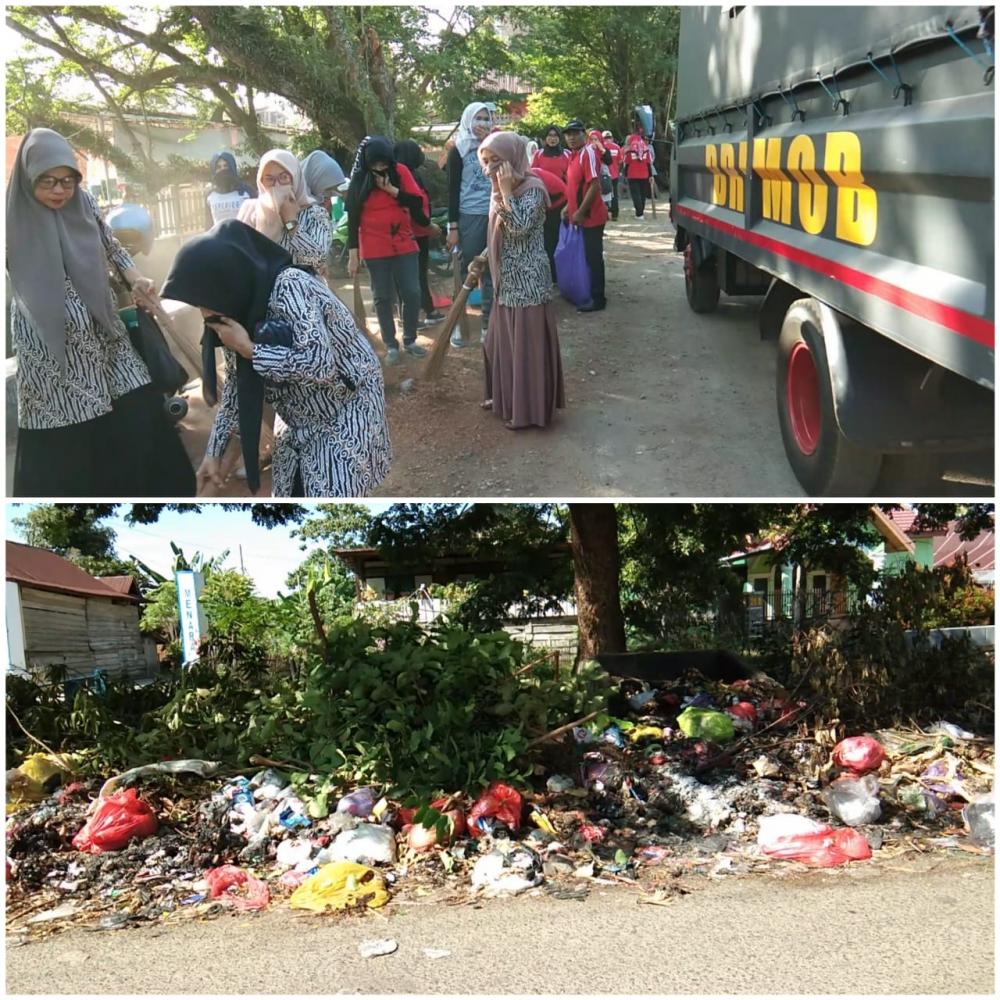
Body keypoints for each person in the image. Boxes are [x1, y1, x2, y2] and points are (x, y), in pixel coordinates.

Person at [7, 127, 195, 497]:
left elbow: (112, 247)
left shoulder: (86, 204)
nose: (60, 191)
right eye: (48, 182)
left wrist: (137, 278)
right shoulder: (10, 219)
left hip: (103, 332)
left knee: (137, 408)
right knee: (68, 432)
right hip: (49, 349)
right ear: (29, 179)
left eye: (67, 181)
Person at [162, 219, 391, 498]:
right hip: (298, 414)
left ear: (225, 280)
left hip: (346, 404)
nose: (203, 312)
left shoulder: (290, 285)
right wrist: (214, 452)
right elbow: (236, 386)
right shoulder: (238, 310)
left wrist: (251, 350)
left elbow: (319, 364)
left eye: (203, 300)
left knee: (329, 492)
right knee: (288, 493)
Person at [476, 131, 564, 430]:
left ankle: (527, 411)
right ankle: (503, 398)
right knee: (498, 344)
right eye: (485, 162)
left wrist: (506, 192)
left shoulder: (532, 189)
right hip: (505, 280)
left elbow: (520, 228)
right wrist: (484, 255)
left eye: (496, 162)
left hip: (527, 282)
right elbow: (500, 233)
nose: (489, 169)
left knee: (525, 349)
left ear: (513, 159)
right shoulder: (499, 190)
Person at [345, 136, 430, 364]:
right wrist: (353, 255)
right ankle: (391, 344)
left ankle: (410, 339)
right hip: (374, 247)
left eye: (384, 164)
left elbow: (416, 203)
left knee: (412, 292)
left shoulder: (401, 171)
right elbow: (353, 217)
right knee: (382, 297)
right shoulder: (360, 179)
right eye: (375, 165)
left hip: (403, 242)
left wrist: (393, 190)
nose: (380, 169)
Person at [446, 101, 495, 347]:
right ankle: (457, 324)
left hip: (495, 215)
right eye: (478, 118)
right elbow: (452, 190)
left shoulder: (496, 147)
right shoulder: (459, 150)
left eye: (487, 119)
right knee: (469, 271)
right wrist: (453, 227)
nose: (483, 124)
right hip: (469, 217)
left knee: (493, 272)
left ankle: (488, 325)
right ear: (467, 120)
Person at [238, 150, 331, 273]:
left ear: (295, 178)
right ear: (261, 182)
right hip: (262, 290)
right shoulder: (250, 211)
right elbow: (239, 259)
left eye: (284, 177)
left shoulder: (315, 214)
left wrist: (291, 223)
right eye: (269, 179)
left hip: (301, 290)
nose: (277, 185)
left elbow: (317, 261)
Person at [394, 140, 445, 328]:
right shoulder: (399, 177)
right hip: (408, 234)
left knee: (420, 275)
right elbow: (413, 207)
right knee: (407, 278)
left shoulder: (415, 174)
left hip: (421, 233)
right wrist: (429, 225)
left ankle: (429, 311)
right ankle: (408, 318)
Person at [563, 119, 608, 313]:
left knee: (593, 256)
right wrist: (568, 207)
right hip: (580, 216)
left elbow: (594, 185)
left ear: (584, 134)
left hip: (591, 216)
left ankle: (598, 299)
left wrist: (580, 211)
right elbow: (575, 186)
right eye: (568, 134)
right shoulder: (573, 155)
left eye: (575, 133)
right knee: (587, 256)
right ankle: (588, 290)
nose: (571, 137)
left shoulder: (587, 153)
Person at [206, 151, 252, 226]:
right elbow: (208, 225)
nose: (223, 169)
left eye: (226, 166)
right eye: (219, 167)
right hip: (219, 237)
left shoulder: (246, 192)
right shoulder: (210, 195)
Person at [623, 129, 654, 218]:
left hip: (632, 175)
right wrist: (651, 175)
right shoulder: (646, 150)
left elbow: (627, 164)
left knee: (636, 194)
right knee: (642, 194)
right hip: (644, 175)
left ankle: (639, 214)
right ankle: (641, 212)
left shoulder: (629, 151)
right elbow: (648, 164)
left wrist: (625, 175)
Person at [601, 130, 622, 221]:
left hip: (604, 176)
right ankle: (615, 214)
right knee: (614, 195)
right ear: (612, 138)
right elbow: (620, 161)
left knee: (604, 195)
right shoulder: (617, 147)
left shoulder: (601, 147)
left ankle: (605, 214)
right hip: (614, 175)